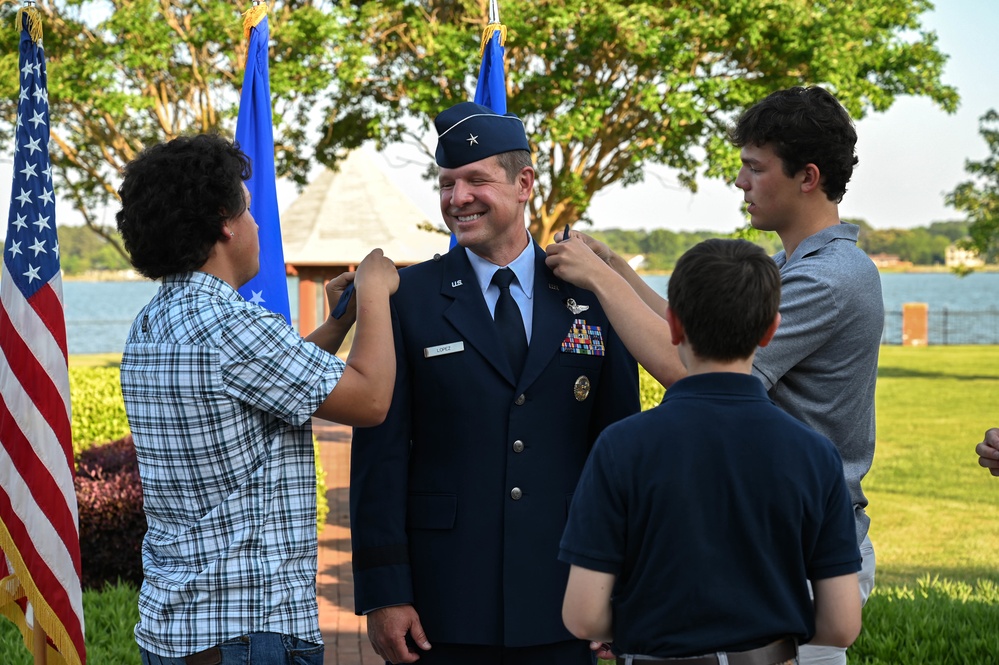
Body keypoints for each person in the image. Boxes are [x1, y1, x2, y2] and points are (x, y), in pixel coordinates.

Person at [546, 85, 882, 665]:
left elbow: (688, 365)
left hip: (794, 539)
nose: (740, 182)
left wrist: (600, 285)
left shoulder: (830, 278)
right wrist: (618, 269)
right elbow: (701, 327)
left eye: (754, 168)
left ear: (807, 175)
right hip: (759, 522)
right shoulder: (791, 265)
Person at [349, 101, 641, 665]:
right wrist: (385, 594)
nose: (458, 199)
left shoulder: (591, 296)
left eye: (476, 180)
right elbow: (379, 458)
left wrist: (621, 581)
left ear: (524, 183)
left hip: (564, 596)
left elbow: (618, 452)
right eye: (447, 183)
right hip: (443, 603)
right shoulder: (409, 300)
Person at [115, 133, 399, 664]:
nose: (257, 224)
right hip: (248, 630)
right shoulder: (234, 326)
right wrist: (378, 292)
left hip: (178, 626)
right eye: (247, 210)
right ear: (225, 221)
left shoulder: (151, 322)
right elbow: (370, 400)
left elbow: (272, 382)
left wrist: (340, 322)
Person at [560, 238, 863, 664]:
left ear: (673, 325)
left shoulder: (621, 447)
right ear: (770, 330)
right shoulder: (815, 454)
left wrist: (644, 627)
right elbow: (842, 625)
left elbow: (583, 615)